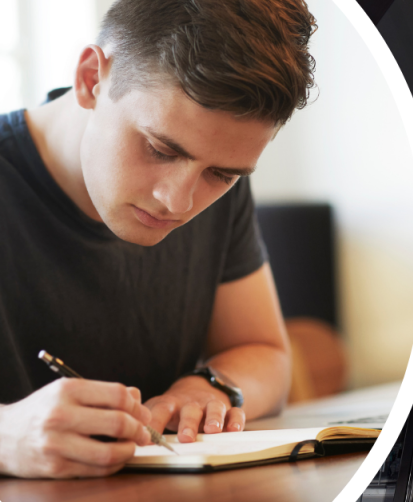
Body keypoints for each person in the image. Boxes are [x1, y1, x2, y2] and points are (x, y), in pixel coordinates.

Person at [0, 0, 316, 478]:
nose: (179, 201)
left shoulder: (220, 178)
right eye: (160, 148)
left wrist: (211, 388)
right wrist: (5, 437)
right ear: (91, 79)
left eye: (221, 174)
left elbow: (266, 353)